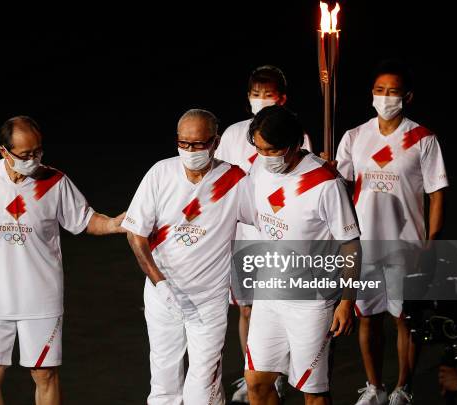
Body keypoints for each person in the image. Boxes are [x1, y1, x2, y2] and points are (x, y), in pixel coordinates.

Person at [0, 116, 125, 405]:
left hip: (41, 296)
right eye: (25, 154)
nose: (33, 159)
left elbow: (86, 220)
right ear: (4, 152)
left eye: (38, 151)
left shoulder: (54, 181)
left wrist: (114, 224)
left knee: (44, 375)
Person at [333, 59, 448, 405]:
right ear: (372, 94)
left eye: (393, 91)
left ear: (407, 96)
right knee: (367, 319)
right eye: (380, 90)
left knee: (404, 321)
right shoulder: (355, 136)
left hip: (406, 244)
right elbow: (337, 184)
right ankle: (374, 387)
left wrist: (430, 243)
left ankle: (402, 387)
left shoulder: (422, 138)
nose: (385, 97)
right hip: (364, 245)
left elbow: (437, 194)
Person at [122, 109, 248, 404]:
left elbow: (270, 213)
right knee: (164, 379)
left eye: (199, 145)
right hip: (162, 295)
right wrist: (160, 283)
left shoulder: (234, 180)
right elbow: (136, 234)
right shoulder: (160, 173)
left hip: (208, 300)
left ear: (215, 142)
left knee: (203, 385)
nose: (190, 151)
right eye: (184, 144)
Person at [240, 105, 361, 405]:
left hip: (311, 303)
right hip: (268, 296)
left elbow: (351, 245)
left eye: (273, 150)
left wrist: (347, 300)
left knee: (313, 392)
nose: (265, 156)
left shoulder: (326, 184)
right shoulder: (259, 167)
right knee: (256, 383)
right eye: (259, 148)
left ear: (295, 144)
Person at [214, 65, 313, 403]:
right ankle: (253, 371)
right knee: (246, 309)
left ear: (282, 99)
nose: (260, 100)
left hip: (281, 238)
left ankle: (279, 374)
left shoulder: (295, 136)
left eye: (267, 95)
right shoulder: (232, 135)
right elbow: (220, 182)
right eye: (255, 95)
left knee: (282, 308)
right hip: (244, 236)